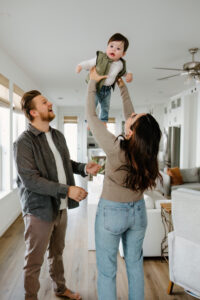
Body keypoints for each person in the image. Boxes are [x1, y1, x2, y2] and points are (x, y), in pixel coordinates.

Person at [13, 90, 101, 300]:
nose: (50, 103)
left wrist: (83, 168)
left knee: (57, 253)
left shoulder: (57, 135)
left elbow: (64, 164)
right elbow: (31, 180)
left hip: (60, 207)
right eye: (44, 102)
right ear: (33, 112)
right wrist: (67, 190)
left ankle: (60, 289)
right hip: (38, 210)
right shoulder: (23, 143)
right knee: (34, 261)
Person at [86, 68, 162, 300]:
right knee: (135, 267)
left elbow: (90, 115)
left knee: (108, 272)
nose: (131, 115)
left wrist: (92, 83)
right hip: (138, 212)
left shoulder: (115, 147)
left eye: (132, 119)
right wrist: (122, 86)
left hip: (112, 213)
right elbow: (133, 119)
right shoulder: (147, 153)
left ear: (130, 132)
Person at [76, 33, 133, 124]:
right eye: (111, 46)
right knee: (92, 103)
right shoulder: (100, 58)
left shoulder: (120, 64)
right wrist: (80, 66)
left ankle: (103, 121)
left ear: (123, 54)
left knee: (105, 106)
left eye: (118, 48)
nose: (113, 49)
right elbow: (89, 63)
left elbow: (125, 72)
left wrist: (129, 75)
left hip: (107, 89)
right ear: (107, 47)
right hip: (97, 86)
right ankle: (88, 121)